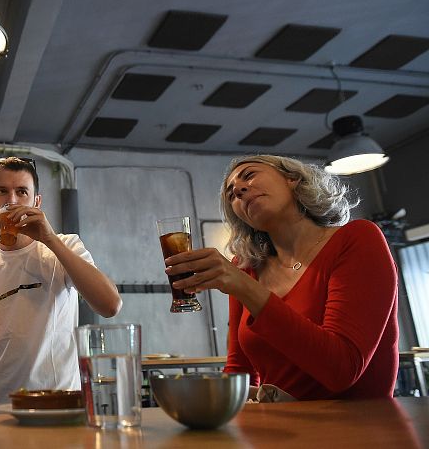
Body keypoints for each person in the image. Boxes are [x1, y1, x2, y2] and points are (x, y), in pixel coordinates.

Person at [164, 154, 399, 400]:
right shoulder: (246, 269)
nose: (240, 190)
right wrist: (209, 398)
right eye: (231, 195)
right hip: (279, 431)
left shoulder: (358, 238)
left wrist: (244, 286)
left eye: (250, 175)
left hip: (359, 432)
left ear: (293, 179)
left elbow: (341, 369)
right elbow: (239, 370)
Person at [0, 157, 123, 415]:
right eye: (2, 191)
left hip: (57, 411)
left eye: (22, 192)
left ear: (37, 202)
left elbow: (110, 305)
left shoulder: (64, 246)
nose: (12, 200)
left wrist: (49, 238)